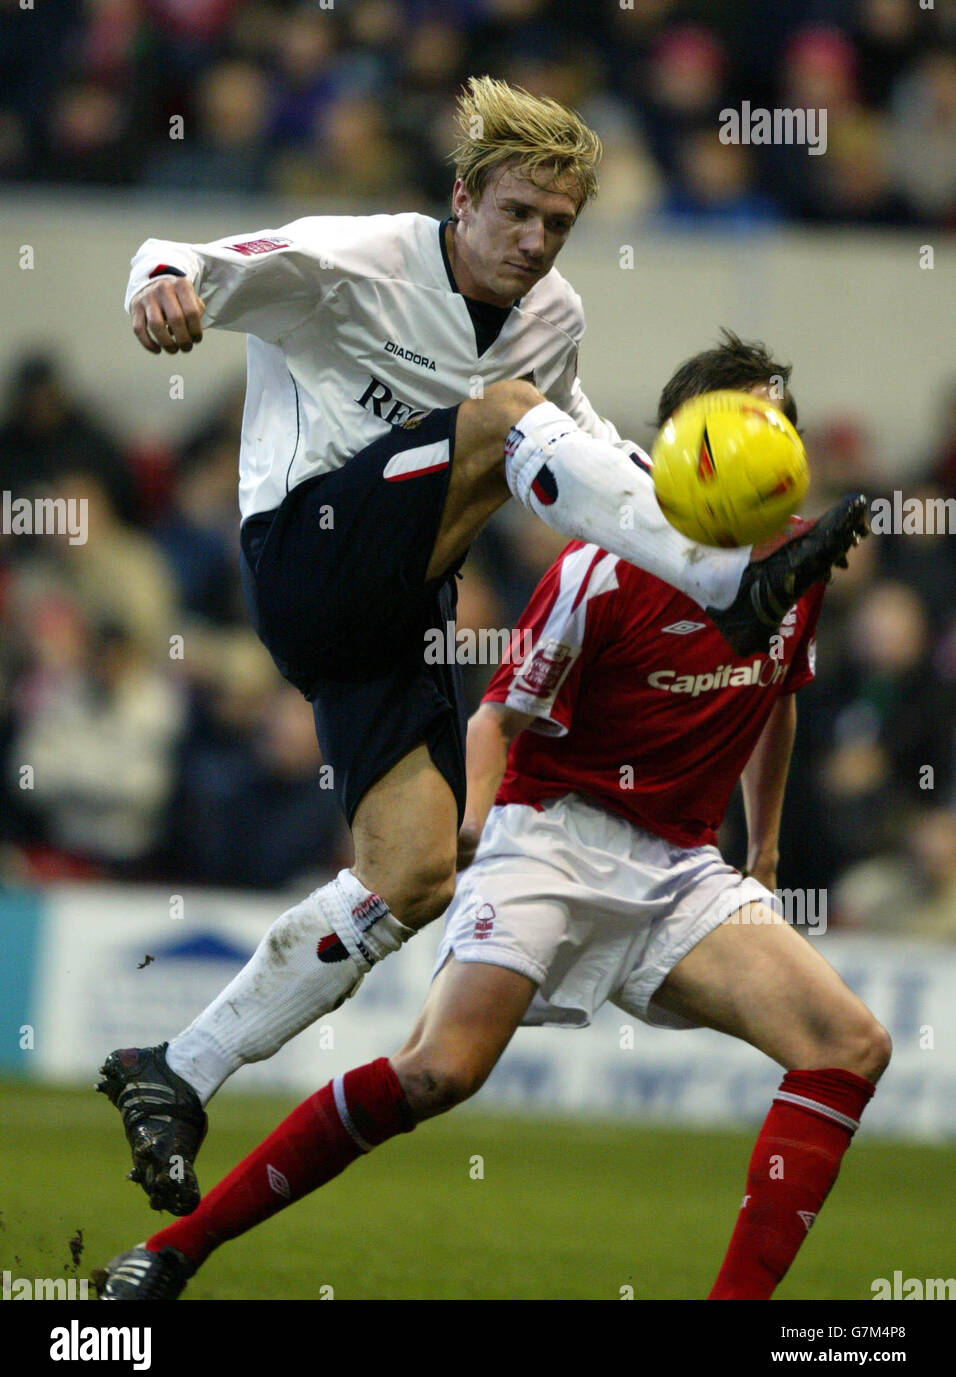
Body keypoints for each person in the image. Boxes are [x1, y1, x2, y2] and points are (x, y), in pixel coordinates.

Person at [98, 76, 867, 1218]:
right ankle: (728, 588)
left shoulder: (552, 316)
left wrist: (685, 495)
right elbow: (186, 255)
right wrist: (160, 286)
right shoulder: (355, 255)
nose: (534, 242)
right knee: (505, 417)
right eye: (514, 213)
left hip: (395, 611)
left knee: (410, 874)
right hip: (305, 549)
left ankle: (177, 1068)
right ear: (460, 199)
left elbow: (583, 452)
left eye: (556, 225)